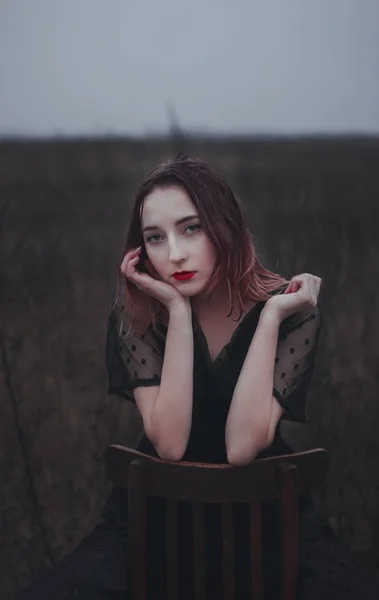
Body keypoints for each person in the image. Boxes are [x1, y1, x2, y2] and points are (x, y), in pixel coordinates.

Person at [19, 154, 378, 599]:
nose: (174, 254)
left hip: (268, 523)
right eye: (155, 238)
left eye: (192, 228)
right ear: (140, 250)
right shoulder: (136, 316)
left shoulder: (291, 310)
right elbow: (169, 443)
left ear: (224, 224)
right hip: (152, 522)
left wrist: (269, 319)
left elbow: (242, 446)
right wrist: (175, 308)